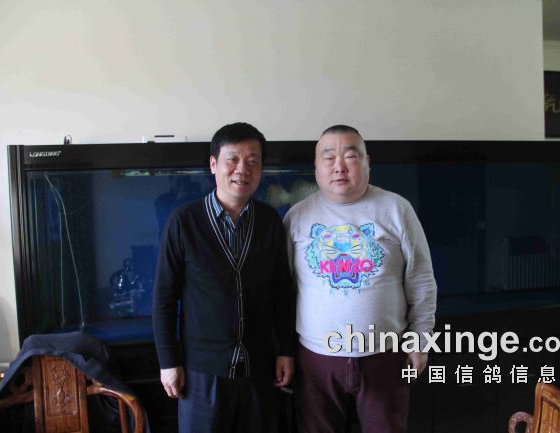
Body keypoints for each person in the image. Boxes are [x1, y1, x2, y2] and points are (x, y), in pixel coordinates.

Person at [283, 125, 437, 433]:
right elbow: (284, 290)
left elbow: (421, 280)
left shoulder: (396, 209)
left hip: (385, 356)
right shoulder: (297, 217)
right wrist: (284, 350)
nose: (339, 166)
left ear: (367, 162)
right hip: (316, 360)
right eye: (329, 157)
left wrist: (420, 341)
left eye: (351, 156)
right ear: (316, 166)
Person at [153, 122, 295, 433]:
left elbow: (282, 292)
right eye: (232, 159)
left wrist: (286, 349)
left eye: (253, 161)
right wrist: (168, 362)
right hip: (202, 372)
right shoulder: (184, 221)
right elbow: (164, 298)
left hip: (260, 369)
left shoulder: (270, 221)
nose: (242, 169)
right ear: (213, 164)